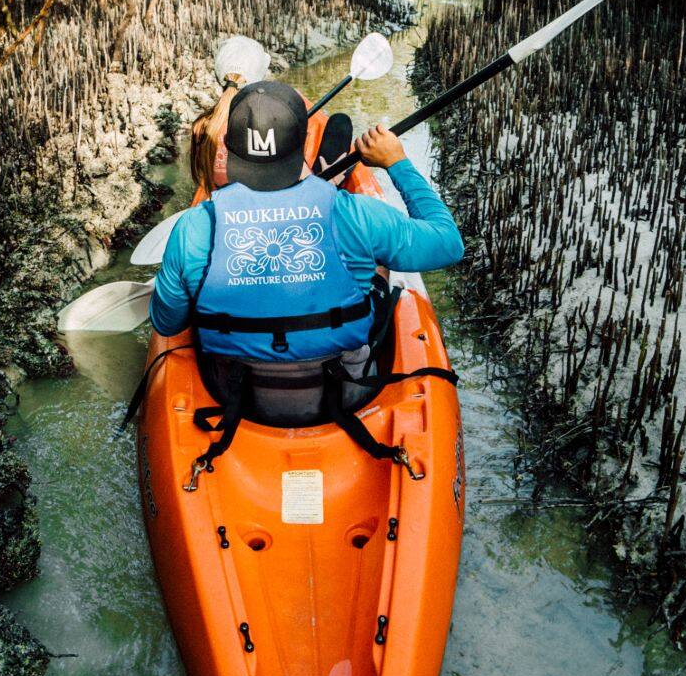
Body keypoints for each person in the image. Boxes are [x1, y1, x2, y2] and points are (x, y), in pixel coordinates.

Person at [151, 81, 462, 452]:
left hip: (236, 396)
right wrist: (398, 163)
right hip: (347, 393)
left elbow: (168, 323)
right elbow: (447, 243)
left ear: (230, 148)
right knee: (378, 269)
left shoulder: (194, 227)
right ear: (302, 145)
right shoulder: (355, 213)